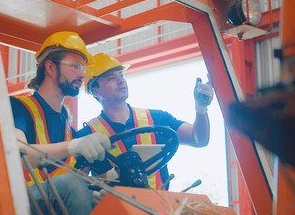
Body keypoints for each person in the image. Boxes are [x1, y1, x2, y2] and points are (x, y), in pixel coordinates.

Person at [10, 32, 111, 215]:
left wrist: (94, 190)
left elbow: (71, 178)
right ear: (50, 67)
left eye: (82, 68)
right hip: (19, 208)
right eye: (74, 66)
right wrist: (72, 146)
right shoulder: (18, 107)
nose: (82, 74)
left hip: (52, 211)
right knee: (71, 183)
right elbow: (16, 154)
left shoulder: (68, 128)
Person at [77, 53, 214, 190]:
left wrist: (201, 108)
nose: (120, 81)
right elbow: (77, 184)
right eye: (111, 78)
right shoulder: (86, 136)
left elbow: (199, 140)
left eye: (121, 75)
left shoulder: (158, 119)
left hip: (160, 207)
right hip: (115, 209)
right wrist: (112, 175)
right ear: (95, 91)